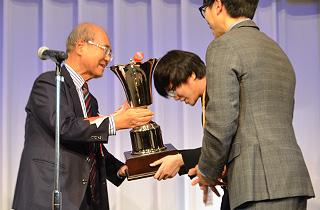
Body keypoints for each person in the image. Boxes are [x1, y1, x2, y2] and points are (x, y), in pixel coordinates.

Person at [188, 0, 315, 209]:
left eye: (205, 10)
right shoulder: (276, 50)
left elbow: (221, 122)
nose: (207, 19)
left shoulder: (223, 45)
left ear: (218, 5)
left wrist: (207, 171)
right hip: (294, 181)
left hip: (258, 183)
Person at [12, 23, 154, 210]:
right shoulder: (49, 83)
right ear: (80, 46)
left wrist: (119, 169)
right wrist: (115, 122)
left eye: (110, 53)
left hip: (86, 200)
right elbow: (65, 127)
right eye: (105, 50)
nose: (108, 59)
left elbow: (89, 145)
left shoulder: (90, 100)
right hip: (48, 198)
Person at [150, 50, 230, 210]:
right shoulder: (208, 97)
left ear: (192, 74)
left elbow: (225, 145)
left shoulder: (221, 93)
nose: (175, 97)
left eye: (173, 90)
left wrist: (181, 159)